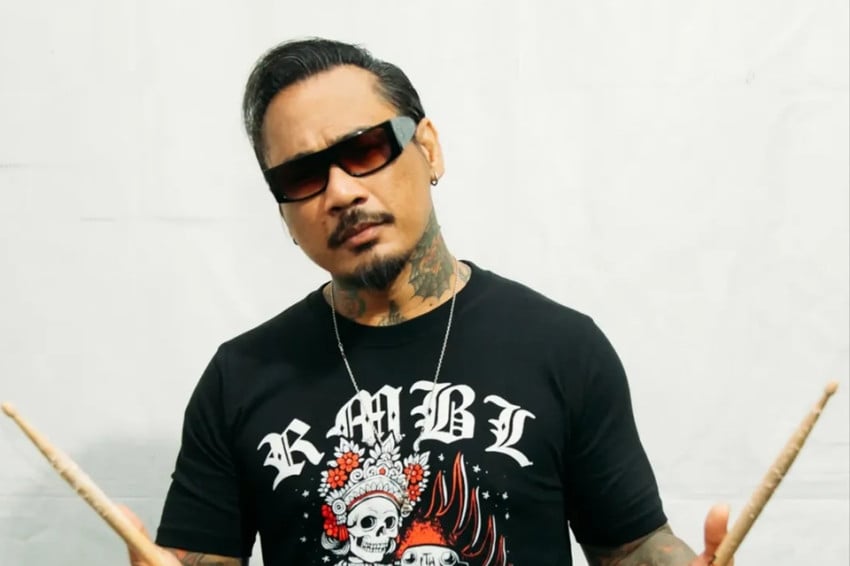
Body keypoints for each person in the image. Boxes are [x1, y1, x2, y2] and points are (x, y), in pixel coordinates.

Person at [121, 38, 732, 566]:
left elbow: (631, 548)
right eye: (303, 176)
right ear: (284, 212)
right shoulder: (238, 379)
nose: (341, 192)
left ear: (428, 148)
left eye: (364, 149)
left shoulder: (562, 349)